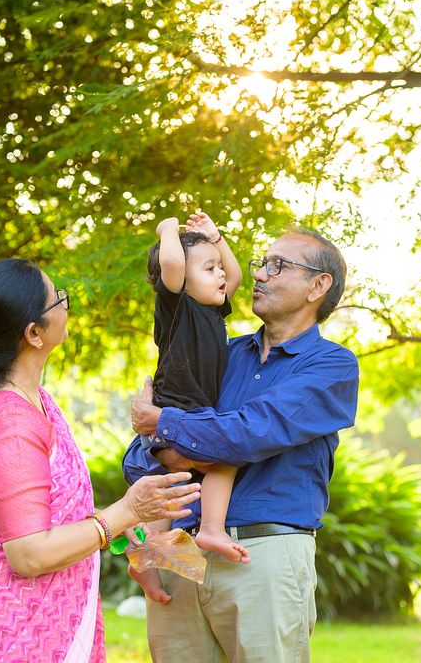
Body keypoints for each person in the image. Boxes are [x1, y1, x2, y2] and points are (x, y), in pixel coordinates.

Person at [123, 226, 359, 663]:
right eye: (261, 265)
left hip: (262, 556)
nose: (260, 275)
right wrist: (162, 439)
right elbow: (142, 450)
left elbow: (249, 432)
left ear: (318, 286)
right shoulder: (220, 353)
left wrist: (165, 426)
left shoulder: (332, 366)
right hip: (179, 555)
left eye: (278, 266)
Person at [0, 258, 201, 663]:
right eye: (57, 299)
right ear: (34, 333)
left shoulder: (32, 400)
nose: (65, 304)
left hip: (42, 622)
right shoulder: (11, 423)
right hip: (14, 633)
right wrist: (125, 512)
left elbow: (36, 515)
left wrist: (118, 523)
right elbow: (29, 552)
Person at [133, 212, 248, 604]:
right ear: (182, 279)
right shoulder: (177, 306)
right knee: (224, 458)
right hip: (177, 411)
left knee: (171, 486)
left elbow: (236, 277)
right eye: (209, 268)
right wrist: (168, 229)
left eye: (218, 266)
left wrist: (216, 239)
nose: (221, 274)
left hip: (191, 415)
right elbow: (171, 264)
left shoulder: (213, 310)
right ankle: (211, 529)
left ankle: (144, 558)